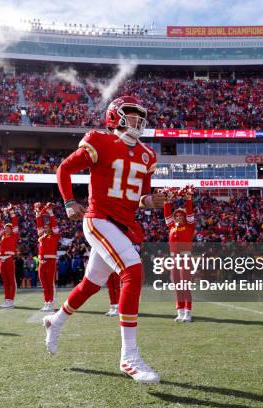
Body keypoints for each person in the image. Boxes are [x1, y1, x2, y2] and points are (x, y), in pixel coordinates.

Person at [43, 96, 164, 383]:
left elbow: (141, 197)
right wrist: (69, 202)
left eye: (139, 116)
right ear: (115, 117)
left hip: (123, 226)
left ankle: (54, 321)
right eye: (130, 115)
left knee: (90, 285)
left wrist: (153, 201)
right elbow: (64, 168)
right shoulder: (100, 140)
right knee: (133, 271)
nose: (136, 121)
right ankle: (129, 356)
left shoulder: (148, 155)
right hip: (99, 219)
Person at [164, 185, 196, 322]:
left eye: (180, 215)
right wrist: (167, 201)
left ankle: (188, 313)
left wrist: (188, 199)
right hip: (174, 259)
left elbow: (189, 213)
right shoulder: (172, 226)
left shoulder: (190, 225)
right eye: (176, 215)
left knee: (185, 285)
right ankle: (180, 311)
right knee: (177, 285)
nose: (177, 217)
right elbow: (167, 214)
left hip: (185, 258)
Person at [35, 202, 61, 312]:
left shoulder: (55, 235)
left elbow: (54, 224)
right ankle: (46, 302)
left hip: (51, 261)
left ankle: (51, 303)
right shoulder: (41, 236)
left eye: (47, 227)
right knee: (44, 284)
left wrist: (50, 213)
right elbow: (39, 225)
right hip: (41, 261)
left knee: (50, 283)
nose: (45, 228)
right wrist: (37, 214)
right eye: (45, 227)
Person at [0, 205, 19, 308]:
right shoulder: (2, 236)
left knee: (11, 281)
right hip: (2, 260)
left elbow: (15, 222)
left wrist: (11, 212)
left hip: (9, 259)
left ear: (12, 229)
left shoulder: (14, 235)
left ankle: (11, 301)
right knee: (5, 282)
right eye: (5, 228)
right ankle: (7, 300)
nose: (6, 229)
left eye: (8, 228)